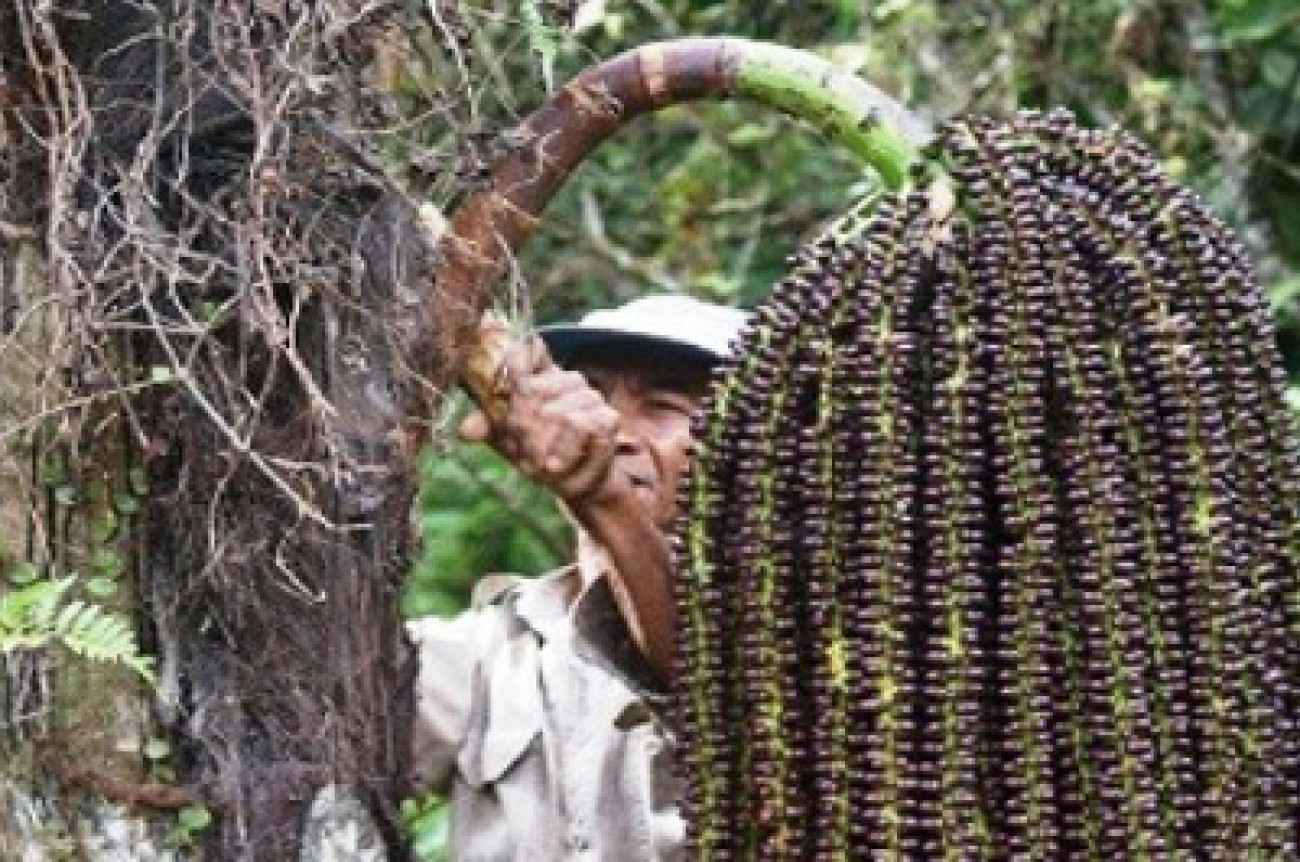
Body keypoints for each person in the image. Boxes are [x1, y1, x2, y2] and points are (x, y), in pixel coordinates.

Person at [407, 294, 749, 860]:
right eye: (588, 395)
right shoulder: (498, 648)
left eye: (662, 405)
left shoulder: (809, 638)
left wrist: (606, 502)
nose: (612, 431)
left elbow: (709, 686)